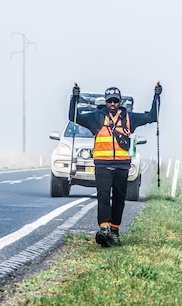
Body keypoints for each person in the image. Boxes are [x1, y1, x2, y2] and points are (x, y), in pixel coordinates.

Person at [69, 83, 162, 247]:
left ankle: (114, 231)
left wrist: (156, 97)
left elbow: (152, 117)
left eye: (116, 101)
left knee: (119, 199)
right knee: (103, 197)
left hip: (122, 165)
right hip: (102, 165)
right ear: (105, 102)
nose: (113, 104)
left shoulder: (129, 117)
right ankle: (104, 229)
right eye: (110, 101)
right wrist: (74, 98)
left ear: (120, 102)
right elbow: (74, 117)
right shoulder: (96, 117)